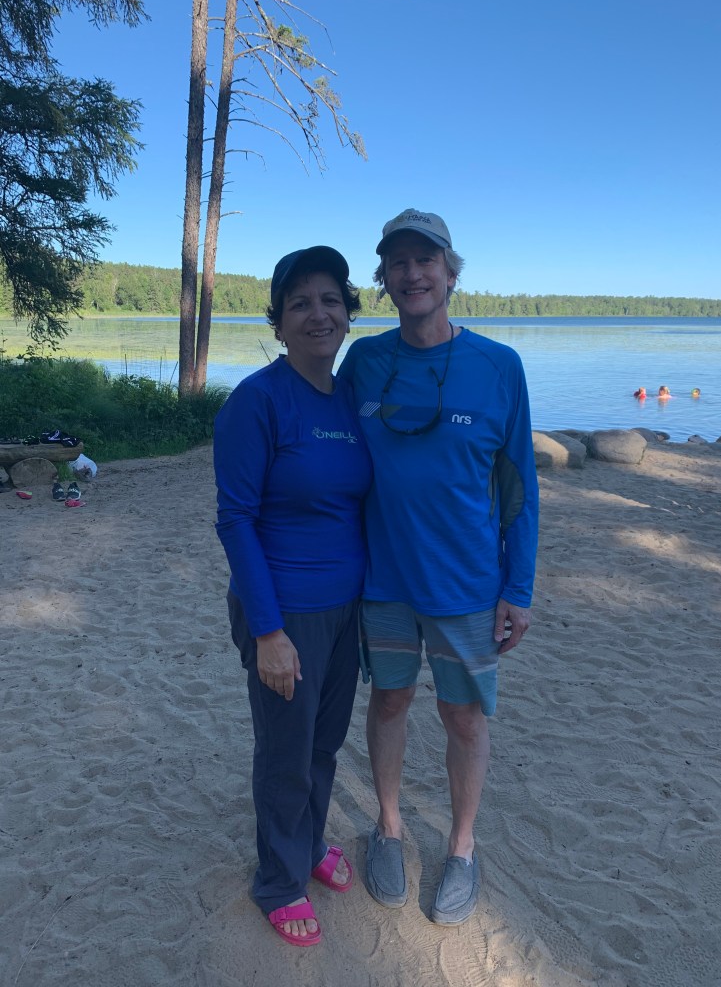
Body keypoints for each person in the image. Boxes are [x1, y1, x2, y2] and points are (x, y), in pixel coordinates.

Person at [338, 209, 539, 926]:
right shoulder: (364, 362)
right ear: (385, 279)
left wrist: (519, 587)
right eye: (398, 262)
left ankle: (461, 846)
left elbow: (519, 486)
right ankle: (389, 828)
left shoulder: (499, 367)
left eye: (426, 260)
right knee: (390, 701)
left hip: (468, 587)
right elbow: (331, 452)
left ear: (451, 274)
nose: (413, 273)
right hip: (383, 581)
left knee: (464, 717)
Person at [214, 246, 372, 947]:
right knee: (285, 753)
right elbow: (235, 519)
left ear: (348, 314)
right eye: (300, 302)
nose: (318, 313)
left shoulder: (351, 399)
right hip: (284, 609)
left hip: (347, 610)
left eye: (331, 299)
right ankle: (279, 881)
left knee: (323, 745)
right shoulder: (256, 401)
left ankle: (306, 846)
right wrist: (269, 631)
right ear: (277, 322)